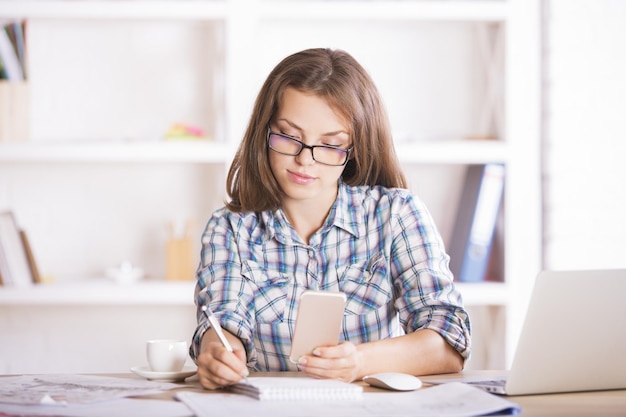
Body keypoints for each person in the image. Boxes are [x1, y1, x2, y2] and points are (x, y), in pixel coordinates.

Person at [190, 48, 471, 390]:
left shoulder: (396, 214)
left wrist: (360, 362)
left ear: (355, 148)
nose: (304, 160)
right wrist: (220, 355)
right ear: (264, 133)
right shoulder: (230, 228)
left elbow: (449, 341)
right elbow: (224, 325)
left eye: (330, 145)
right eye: (289, 137)